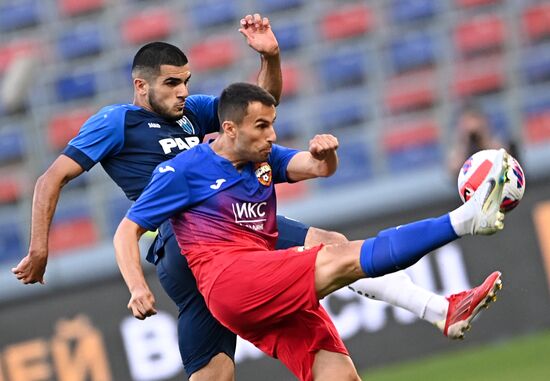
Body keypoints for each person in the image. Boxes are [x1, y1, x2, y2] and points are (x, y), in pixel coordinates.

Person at [11, 17, 500, 379]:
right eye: (171, 83)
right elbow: (50, 178)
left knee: (216, 373)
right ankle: (439, 307)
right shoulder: (115, 122)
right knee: (330, 249)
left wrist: (270, 58)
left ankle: (439, 309)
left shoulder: (194, 115)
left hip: (226, 234)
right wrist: (39, 248)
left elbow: (251, 112)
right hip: (186, 243)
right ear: (140, 86)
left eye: (186, 81)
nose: (184, 91)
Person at [114, 82, 511, 381]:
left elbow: (318, 168)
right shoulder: (183, 171)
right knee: (341, 257)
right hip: (231, 281)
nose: (271, 135)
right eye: (261, 126)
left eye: (273, 125)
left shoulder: (262, 157)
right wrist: (137, 286)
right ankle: (464, 221)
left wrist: (326, 155)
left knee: (339, 374)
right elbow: (126, 231)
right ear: (230, 129)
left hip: (259, 285)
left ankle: (442, 308)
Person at [448, 103, 519, 177]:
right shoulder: (462, 148)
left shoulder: (495, 141)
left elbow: (506, 158)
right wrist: (464, 140)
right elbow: (453, 169)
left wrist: (483, 137)